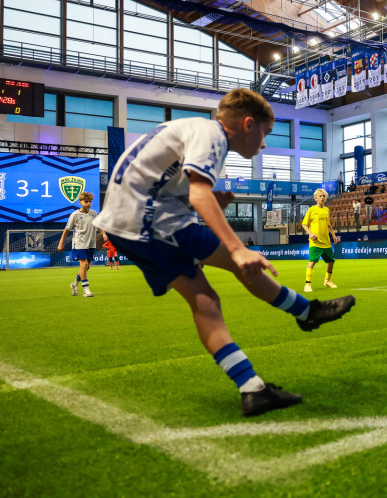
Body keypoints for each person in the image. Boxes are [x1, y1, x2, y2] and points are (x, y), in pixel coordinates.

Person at [94, 88, 355, 417]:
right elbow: (199, 191)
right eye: (265, 134)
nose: (263, 145)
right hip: (151, 222)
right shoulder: (212, 135)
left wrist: (198, 201)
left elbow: (157, 181)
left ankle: (255, 385)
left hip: (132, 225)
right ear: (248, 124)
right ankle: (306, 314)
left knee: (206, 299)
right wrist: (236, 246)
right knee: (233, 270)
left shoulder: (191, 129)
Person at [57, 191, 109, 297]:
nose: (88, 203)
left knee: (87, 267)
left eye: (90, 201)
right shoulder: (75, 215)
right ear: (80, 202)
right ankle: (86, 290)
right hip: (79, 243)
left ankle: (74, 283)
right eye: (86, 201)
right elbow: (66, 229)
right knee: (84, 264)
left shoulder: (94, 213)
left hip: (91, 243)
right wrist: (61, 243)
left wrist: (103, 233)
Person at [302, 188, 339, 292]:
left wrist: (333, 235)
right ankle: (307, 284)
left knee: (331, 261)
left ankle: (327, 280)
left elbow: (328, 225)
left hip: (326, 241)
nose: (322, 198)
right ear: (315, 198)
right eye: (320, 196)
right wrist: (310, 233)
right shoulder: (311, 210)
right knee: (312, 261)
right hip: (315, 242)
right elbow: (304, 224)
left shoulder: (326, 210)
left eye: (324, 196)